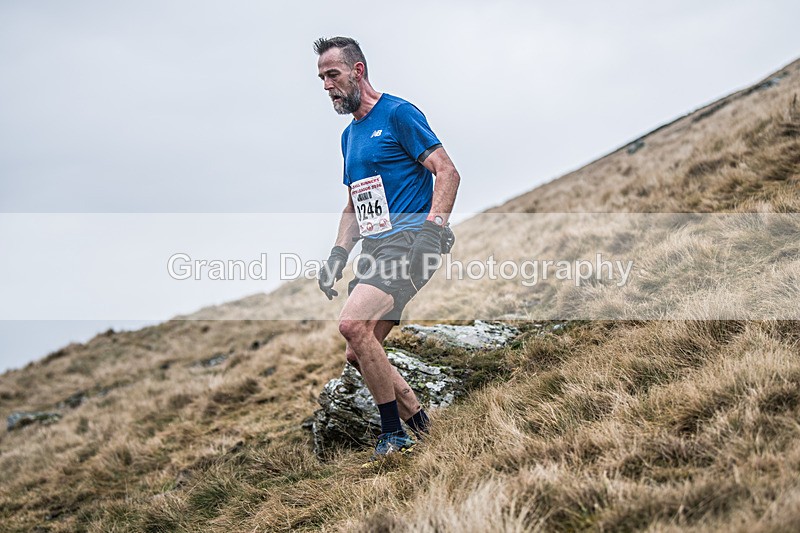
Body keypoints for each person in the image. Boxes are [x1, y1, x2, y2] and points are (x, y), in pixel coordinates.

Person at [313, 36, 461, 461]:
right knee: (358, 350)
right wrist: (338, 255)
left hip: (412, 242)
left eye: (333, 75)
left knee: (353, 325)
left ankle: (392, 435)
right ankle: (423, 427)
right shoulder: (349, 137)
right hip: (376, 248)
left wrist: (433, 230)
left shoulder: (398, 114)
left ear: (358, 71)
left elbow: (447, 171)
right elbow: (355, 205)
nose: (327, 86)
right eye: (322, 78)